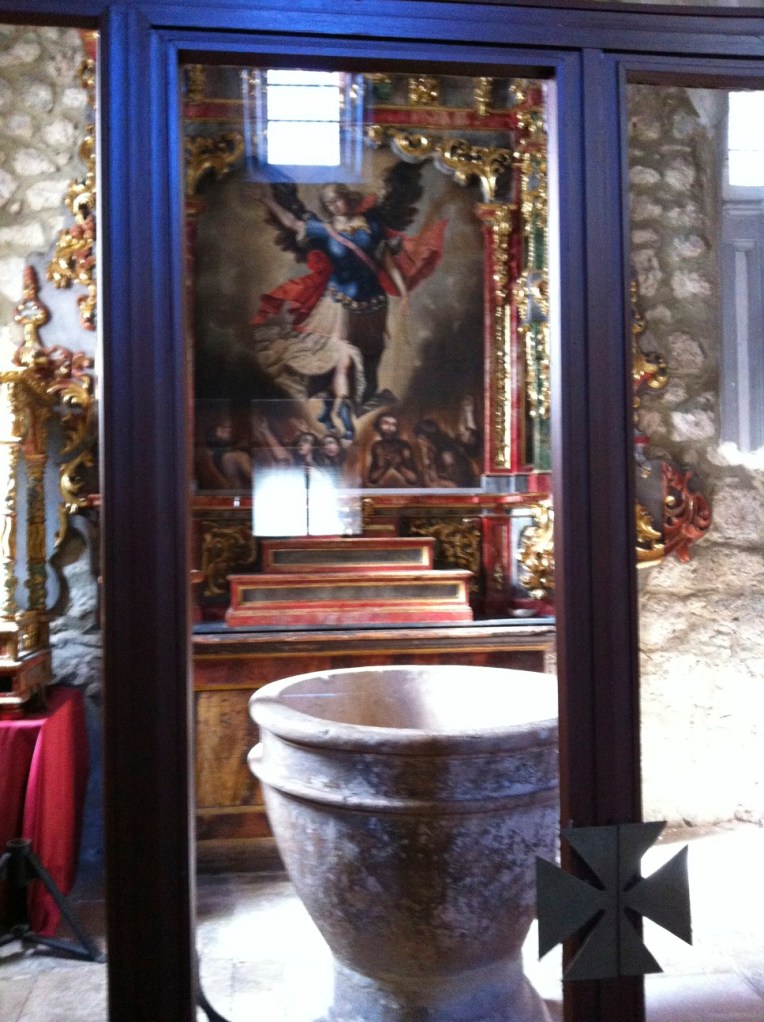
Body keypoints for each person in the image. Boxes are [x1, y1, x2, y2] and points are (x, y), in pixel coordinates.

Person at [251, 179, 446, 426]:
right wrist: (266, 198)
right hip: (338, 301)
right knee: (340, 353)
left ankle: (362, 399)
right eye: (328, 203)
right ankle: (336, 402)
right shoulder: (323, 230)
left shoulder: (372, 225)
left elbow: (386, 261)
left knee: (372, 351)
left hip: (374, 301)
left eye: (337, 199)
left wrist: (404, 292)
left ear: (348, 198)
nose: (334, 206)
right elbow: (292, 222)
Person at [366, 411, 419, 487]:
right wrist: (385, 466)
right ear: (378, 425)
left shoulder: (404, 446)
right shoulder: (377, 446)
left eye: (393, 425)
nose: (390, 428)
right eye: (386, 423)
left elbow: (414, 479)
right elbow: (372, 479)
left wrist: (398, 465)